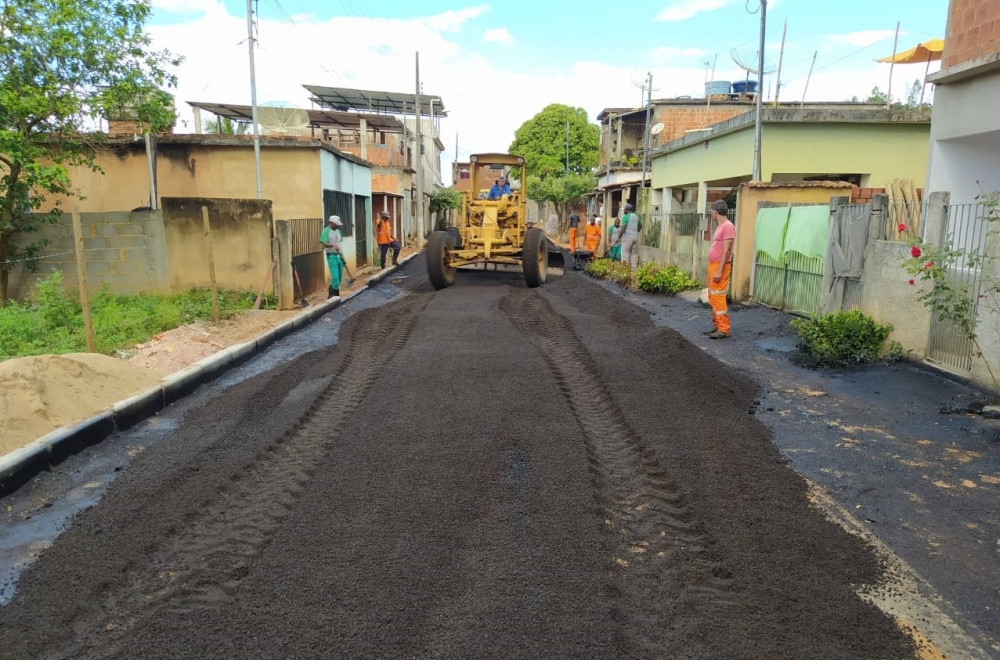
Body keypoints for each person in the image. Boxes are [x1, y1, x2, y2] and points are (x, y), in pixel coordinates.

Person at [705, 199, 735, 339]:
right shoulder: (721, 226)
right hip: (714, 265)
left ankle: (723, 328)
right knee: (712, 296)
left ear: (715, 212)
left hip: (719, 266)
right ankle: (717, 325)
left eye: (712, 212)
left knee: (718, 297)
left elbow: (727, 250)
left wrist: (719, 270)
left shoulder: (727, 226)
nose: (712, 214)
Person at [321, 215, 344, 298]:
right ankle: (333, 295)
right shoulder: (326, 231)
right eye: (336, 224)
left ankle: (334, 292)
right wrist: (332, 245)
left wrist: (343, 258)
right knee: (335, 277)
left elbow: (340, 245)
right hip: (331, 256)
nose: (338, 226)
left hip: (339, 256)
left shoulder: (338, 231)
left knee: (339, 277)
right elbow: (323, 243)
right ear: (331, 223)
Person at [619, 203, 642, 268]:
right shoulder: (637, 216)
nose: (624, 211)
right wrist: (636, 232)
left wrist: (620, 235)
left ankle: (625, 270)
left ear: (626, 210)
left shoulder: (626, 217)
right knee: (634, 254)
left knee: (625, 253)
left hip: (627, 238)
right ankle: (634, 270)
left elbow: (623, 227)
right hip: (635, 237)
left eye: (624, 210)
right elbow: (640, 226)